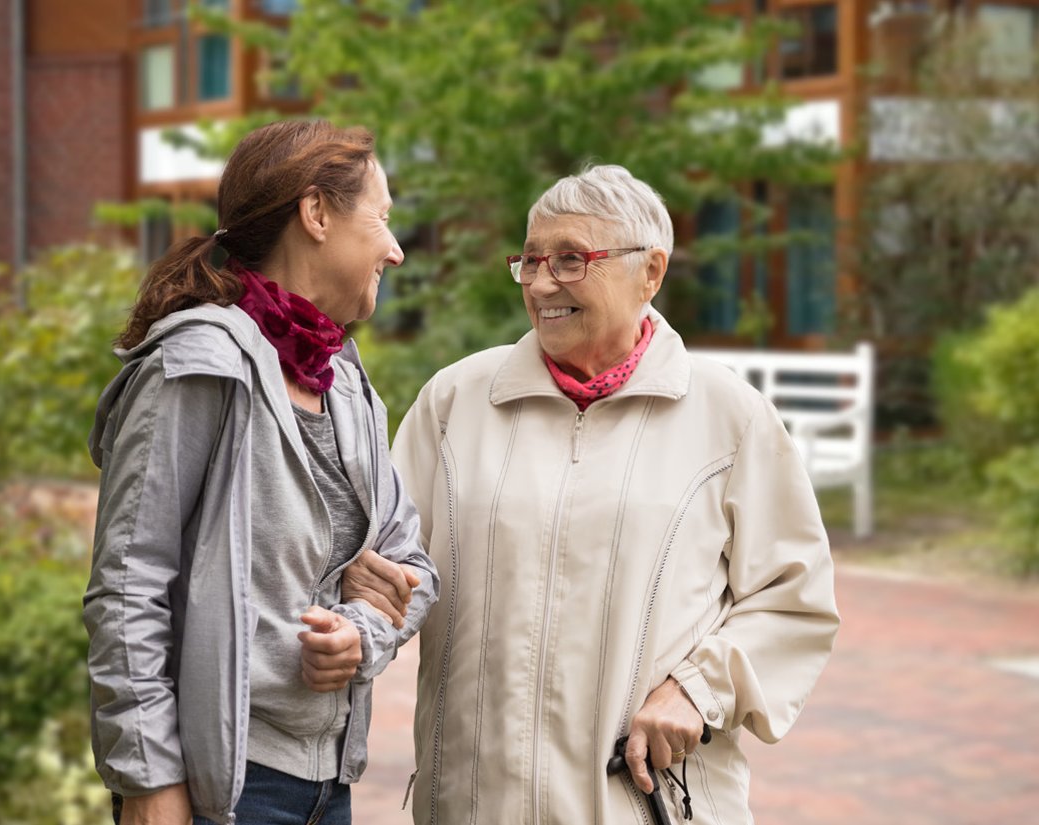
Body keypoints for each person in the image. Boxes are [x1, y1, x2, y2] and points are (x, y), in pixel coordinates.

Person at [350, 164, 840, 823]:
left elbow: (793, 598)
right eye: (530, 260)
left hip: (643, 803)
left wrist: (698, 689)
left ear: (651, 271)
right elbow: (382, 565)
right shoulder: (456, 400)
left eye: (572, 259)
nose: (543, 282)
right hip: (474, 804)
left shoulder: (729, 415)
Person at [84, 119, 438, 825]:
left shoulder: (343, 379)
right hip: (220, 789)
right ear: (316, 213)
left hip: (327, 787)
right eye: (382, 218)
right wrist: (149, 779)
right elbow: (128, 585)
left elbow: (411, 566)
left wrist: (361, 631)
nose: (395, 251)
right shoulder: (198, 366)